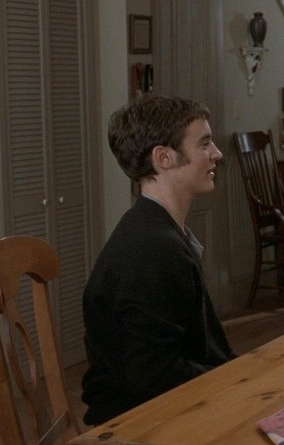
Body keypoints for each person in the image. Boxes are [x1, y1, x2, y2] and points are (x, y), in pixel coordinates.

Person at [81, 95, 235, 425]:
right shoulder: (151, 249)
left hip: (171, 405)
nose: (217, 153)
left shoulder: (156, 229)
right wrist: (234, 385)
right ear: (163, 158)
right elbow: (152, 375)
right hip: (144, 422)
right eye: (204, 143)